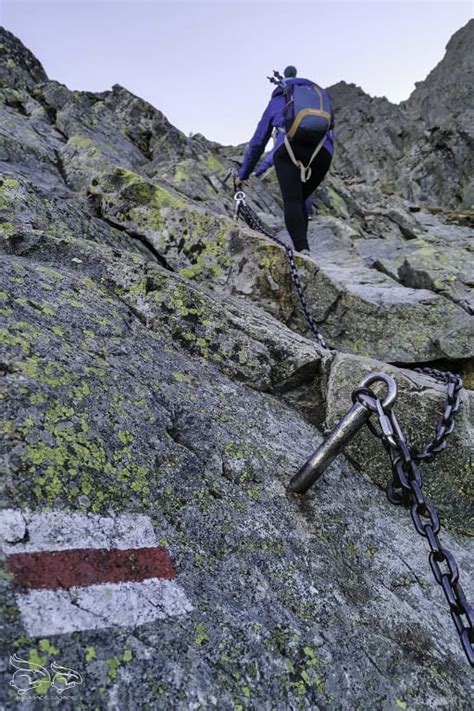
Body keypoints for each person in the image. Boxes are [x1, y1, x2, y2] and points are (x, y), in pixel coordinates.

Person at [237, 65, 334, 254]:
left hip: (288, 151)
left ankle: (302, 249)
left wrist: (245, 173)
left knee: (292, 200)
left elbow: (258, 142)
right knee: (302, 198)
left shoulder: (277, 101)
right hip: (323, 153)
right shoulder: (318, 97)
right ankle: (304, 236)